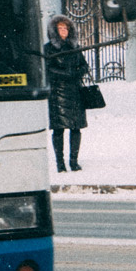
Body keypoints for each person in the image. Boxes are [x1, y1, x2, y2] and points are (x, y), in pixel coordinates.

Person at [43, 13, 89, 173]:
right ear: (55, 31)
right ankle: (60, 163)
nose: (64, 31)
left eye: (66, 28)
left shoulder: (75, 47)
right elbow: (48, 69)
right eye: (60, 28)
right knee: (59, 129)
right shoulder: (49, 49)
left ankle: (74, 161)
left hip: (75, 93)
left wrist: (77, 73)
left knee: (76, 128)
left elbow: (84, 65)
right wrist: (65, 75)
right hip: (58, 94)